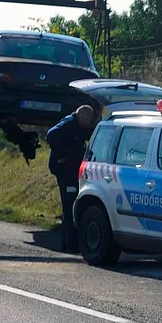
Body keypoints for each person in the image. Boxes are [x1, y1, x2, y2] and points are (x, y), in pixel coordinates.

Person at [46, 104, 97, 252]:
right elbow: (50, 135)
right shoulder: (69, 124)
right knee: (69, 207)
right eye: (89, 120)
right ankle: (71, 246)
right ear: (82, 116)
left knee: (69, 206)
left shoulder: (78, 126)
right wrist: (61, 155)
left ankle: (67, 244)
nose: (89, 123)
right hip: (65, 171)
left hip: (71, 171)